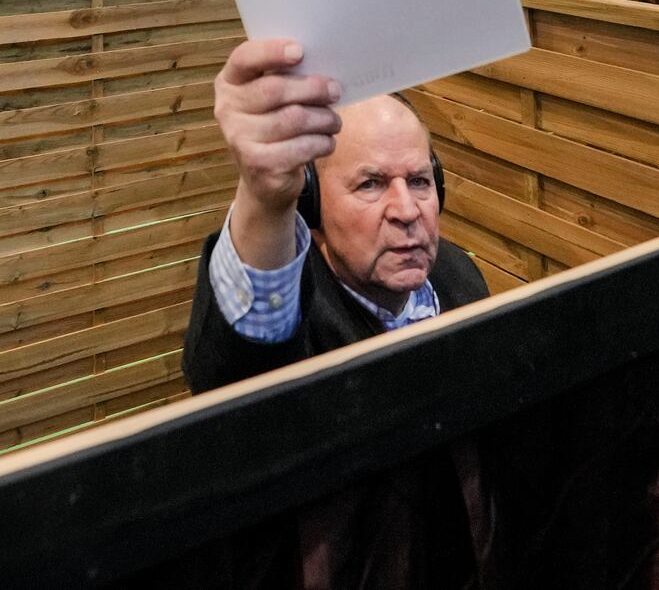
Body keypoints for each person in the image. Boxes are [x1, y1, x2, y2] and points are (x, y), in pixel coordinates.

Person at [182, 41, 490, 393]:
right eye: (371, 184)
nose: (406, 211)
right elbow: (241, 372)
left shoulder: (458, 275)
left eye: (419, 181)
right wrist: (264, 200)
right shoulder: (296, 319)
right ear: (311, 203)